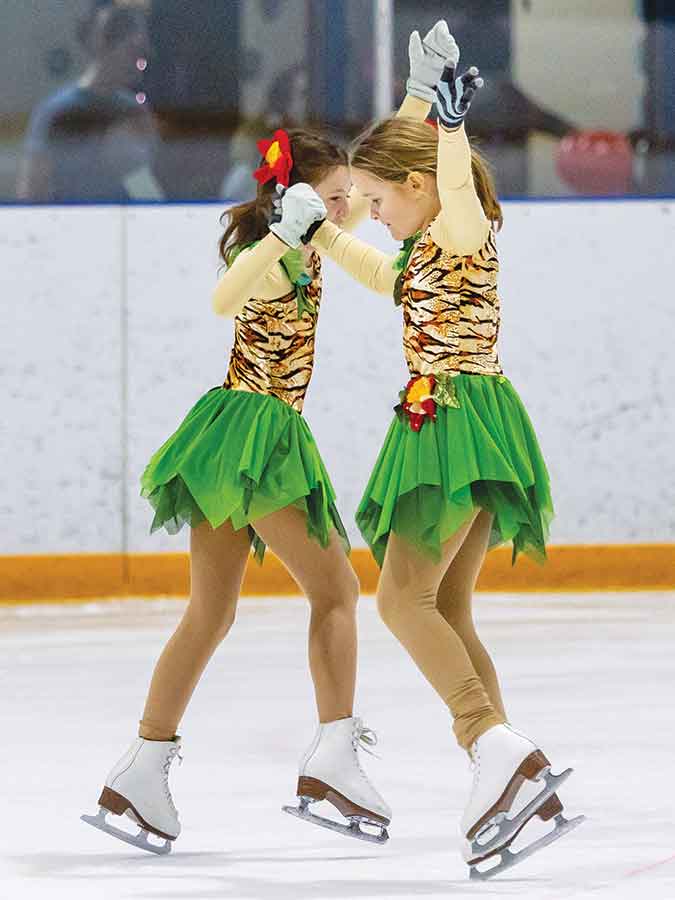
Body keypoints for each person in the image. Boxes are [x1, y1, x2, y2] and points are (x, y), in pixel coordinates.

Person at [81, 21, 452, 854]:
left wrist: (417, 97)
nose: (352, 205)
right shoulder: (276, 248)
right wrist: (282, 236)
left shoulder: (316, 237)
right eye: (335, 196)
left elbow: (377, 175)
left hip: (234, 432)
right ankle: (332, 758)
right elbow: (224, 299)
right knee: (337, 592)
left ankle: (140, 767)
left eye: (348, 196)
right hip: (255, 434)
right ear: (299, 197)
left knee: (211, 611)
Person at [282, 29, 584, 879]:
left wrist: (448, 128)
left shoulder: (459, 223)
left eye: (379, 201)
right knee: (445, 606)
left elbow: (444, 186)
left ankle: (493, 746)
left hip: (452, 422)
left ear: (416, 187)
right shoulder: (421, 249)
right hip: (465, 421)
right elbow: (382, 266)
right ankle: (509, 768)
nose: (372, 213)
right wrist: (322, 233)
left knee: (399, 599)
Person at [17, 1, 158, 202]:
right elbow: (32, 194)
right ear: (103, 46)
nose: (140, 62)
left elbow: (147, 197)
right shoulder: (56, 113)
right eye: (132, 51)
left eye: (143, 54)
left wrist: (130, 167)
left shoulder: (136, 114)